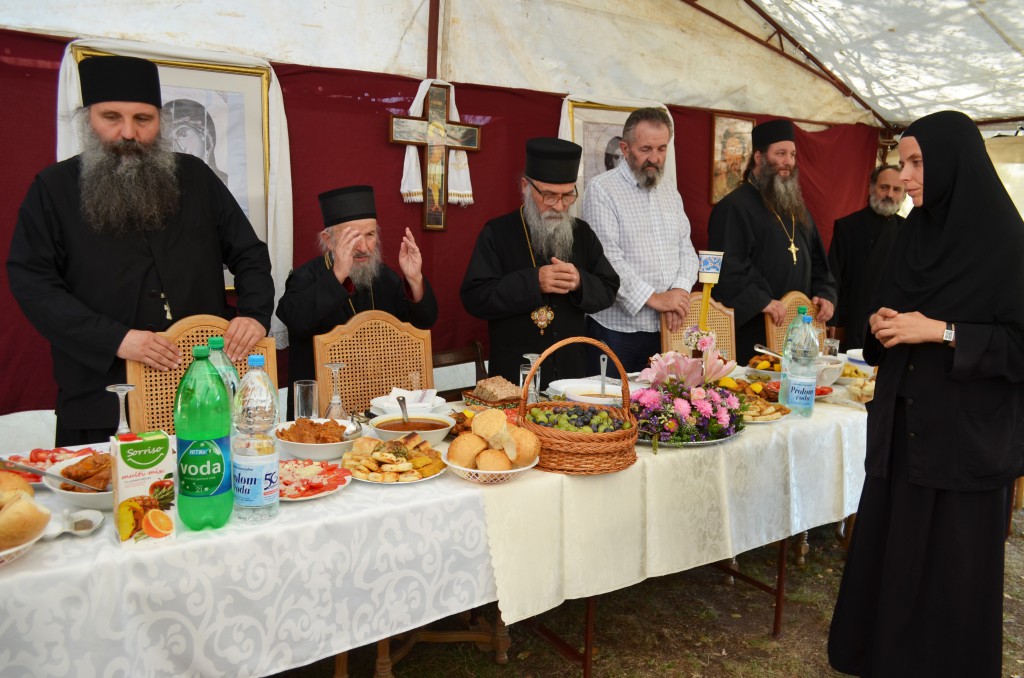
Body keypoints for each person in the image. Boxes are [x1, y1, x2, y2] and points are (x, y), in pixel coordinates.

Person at [828, 111, 1024, 677]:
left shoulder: (1009, 243)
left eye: (917, 163)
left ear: (954, 164)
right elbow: (887, 312)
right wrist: (881, 323)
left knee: (952, 567)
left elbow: (1019, 345)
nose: (906, 176)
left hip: (964, 442)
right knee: (895, 552)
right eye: (902, 162)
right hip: (903, 429)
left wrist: (941, 331)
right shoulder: (914, 232)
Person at [6, 55, 274, 447]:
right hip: (102, 395)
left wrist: (254, 314)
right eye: (111, 117)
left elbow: (249, 252)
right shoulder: (53, 188)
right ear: (88, 119)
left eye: (143, 119)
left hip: (203, 392)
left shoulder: (196, 177)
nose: (128, 133)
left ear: (159, 121)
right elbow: (34, 284)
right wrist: (115, 338)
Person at [461, 138, 619, 389]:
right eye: (549, 195)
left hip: (571, 376)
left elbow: (609, 289)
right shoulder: (497, 233)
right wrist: (533, 282)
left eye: (567, 196)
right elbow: (475, 297)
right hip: (515, 376)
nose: (559, 205)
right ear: (526, 186)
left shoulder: (582, 234)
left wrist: (580, 282)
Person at [276, 185, 438, 417]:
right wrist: (337, 276)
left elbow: (423, 324)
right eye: (352, 237)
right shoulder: (305, 277)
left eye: (370, 235)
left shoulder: (385, 277)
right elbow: (295, 321)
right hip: (322, 414)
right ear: (329, 240)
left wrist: (415, 280)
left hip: (379, 407)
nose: (363, 247)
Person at [707, 118, 836, 363]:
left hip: (797, 332)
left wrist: (825, 294)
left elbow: (819, 262)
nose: (788, 161)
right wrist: (761, 301)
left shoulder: (798, 209)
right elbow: (727, 268)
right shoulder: (734, 207)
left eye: (792, 154)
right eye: (780, 153)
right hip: (755, 329)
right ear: (759, 157)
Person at [582, 107, 698, 371]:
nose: (654, 158)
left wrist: (679, 293)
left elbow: (686, 249)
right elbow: (607, 259)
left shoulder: (670, 191)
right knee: (614, 399)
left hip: (667, 329)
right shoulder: (602, 189)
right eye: (646, 149)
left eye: (662, 148)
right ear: (625, 149)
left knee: (666, 398)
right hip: (617, 332)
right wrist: (657, 299)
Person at [828, 165, 906, 350]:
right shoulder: (847, 227)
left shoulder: (908, 231)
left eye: (896, 189)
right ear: (871, 188)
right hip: (852, 319)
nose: (889, 194)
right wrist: (832, 319)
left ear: (904, 195)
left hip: (892, 322)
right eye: (884, 187)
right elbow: (833, 277)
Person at [712, 127, 746, 200]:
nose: (735, 157)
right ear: (725, 154)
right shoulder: (717, 183)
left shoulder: (748, 182)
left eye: (738, 150)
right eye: (731, 150)